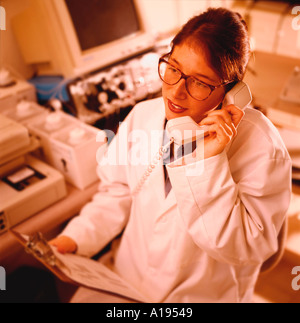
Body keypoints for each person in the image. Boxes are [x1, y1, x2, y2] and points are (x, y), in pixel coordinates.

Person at [50, 7, 291, 303]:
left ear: (232, 91)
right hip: (128, 283)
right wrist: (73, 239)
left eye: (200, 82)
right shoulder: (143, 116)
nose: (176, 93)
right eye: (174, 68)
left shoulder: (263, 148)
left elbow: (246, 248)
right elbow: (118, 192)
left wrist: (208, 161)